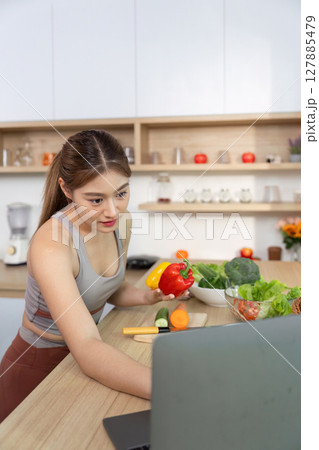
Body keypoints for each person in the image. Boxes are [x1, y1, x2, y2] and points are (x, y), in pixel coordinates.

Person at [0, 129, 178, 423]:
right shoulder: (52, 245)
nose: (112, 211)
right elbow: (85, 346)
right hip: (38, 368)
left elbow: (110, 288)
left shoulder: (122, 222)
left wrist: (148, 296)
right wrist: (175, 388)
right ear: (66, 189)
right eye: (96, 200)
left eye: (121, 193)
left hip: (86, 361)